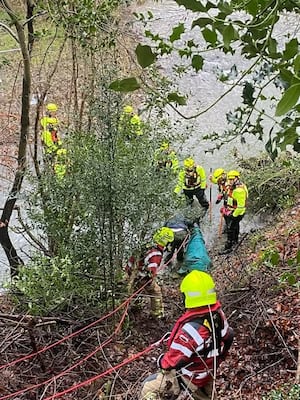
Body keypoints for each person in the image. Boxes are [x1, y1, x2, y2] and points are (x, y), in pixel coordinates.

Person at [140, 270, 234, 400]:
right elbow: (229, 335)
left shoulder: (191, 330)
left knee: (148, 388)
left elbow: (172, 362)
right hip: (207, 371)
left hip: (191, 377)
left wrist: (160, 360)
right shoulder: (218, 315)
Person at [124, 227, 175, 319]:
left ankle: (135, 308)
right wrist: (151, 280)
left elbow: (131, 259)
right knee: (155, 291)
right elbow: (152, 269)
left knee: (135, 291)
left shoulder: (145, 246)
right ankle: (157, 314)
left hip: (132, 274)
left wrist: (128, 272)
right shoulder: (156, 254)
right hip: (143, 277)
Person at [220, 170, 248, 254]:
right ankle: (235, 240)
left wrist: (233, 215)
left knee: (230, 229)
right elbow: (228, 195)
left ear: (237, 178)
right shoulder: (231, 186)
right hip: (231, 209)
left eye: (232, 179)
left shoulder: (239, 190)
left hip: (237, 212)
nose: (230, 181)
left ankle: (228, 247)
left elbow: (240, 206)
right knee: (235, 226)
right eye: (229, 179)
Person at [210, 168, 230, 234]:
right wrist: (211, 179)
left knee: (228, 215)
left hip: (230, 201)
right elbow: (216, 181)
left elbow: (229, 194)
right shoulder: (221, 180)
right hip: (225, 197)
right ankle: (227, 225)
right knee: (225, 214)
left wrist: (225, 204)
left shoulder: (229, 183)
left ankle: (228, 227)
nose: (219, 181)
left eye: (219, 179)